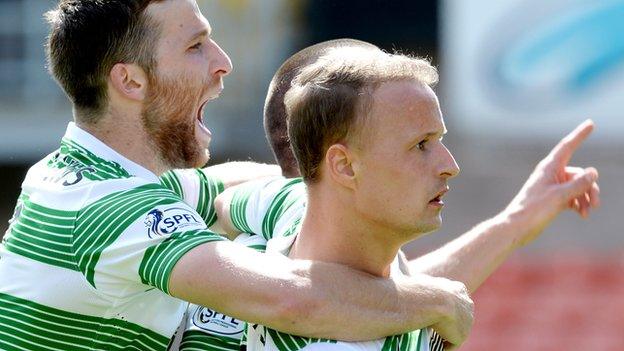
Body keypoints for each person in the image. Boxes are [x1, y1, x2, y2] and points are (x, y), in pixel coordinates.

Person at [0, 1, 475, 350]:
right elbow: (291, 302)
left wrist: (309, 201)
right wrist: (438, 302)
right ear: (130, 81)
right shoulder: (110, 209)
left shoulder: (98, 176)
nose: (223, 61)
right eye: (195, 46)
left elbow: (231, 187)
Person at [215, 46, 600, 350]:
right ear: (345, 167)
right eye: (420, 145)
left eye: (440, 141)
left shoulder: (290, 208)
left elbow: (396, 292)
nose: (450, 166)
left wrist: (515, 221)